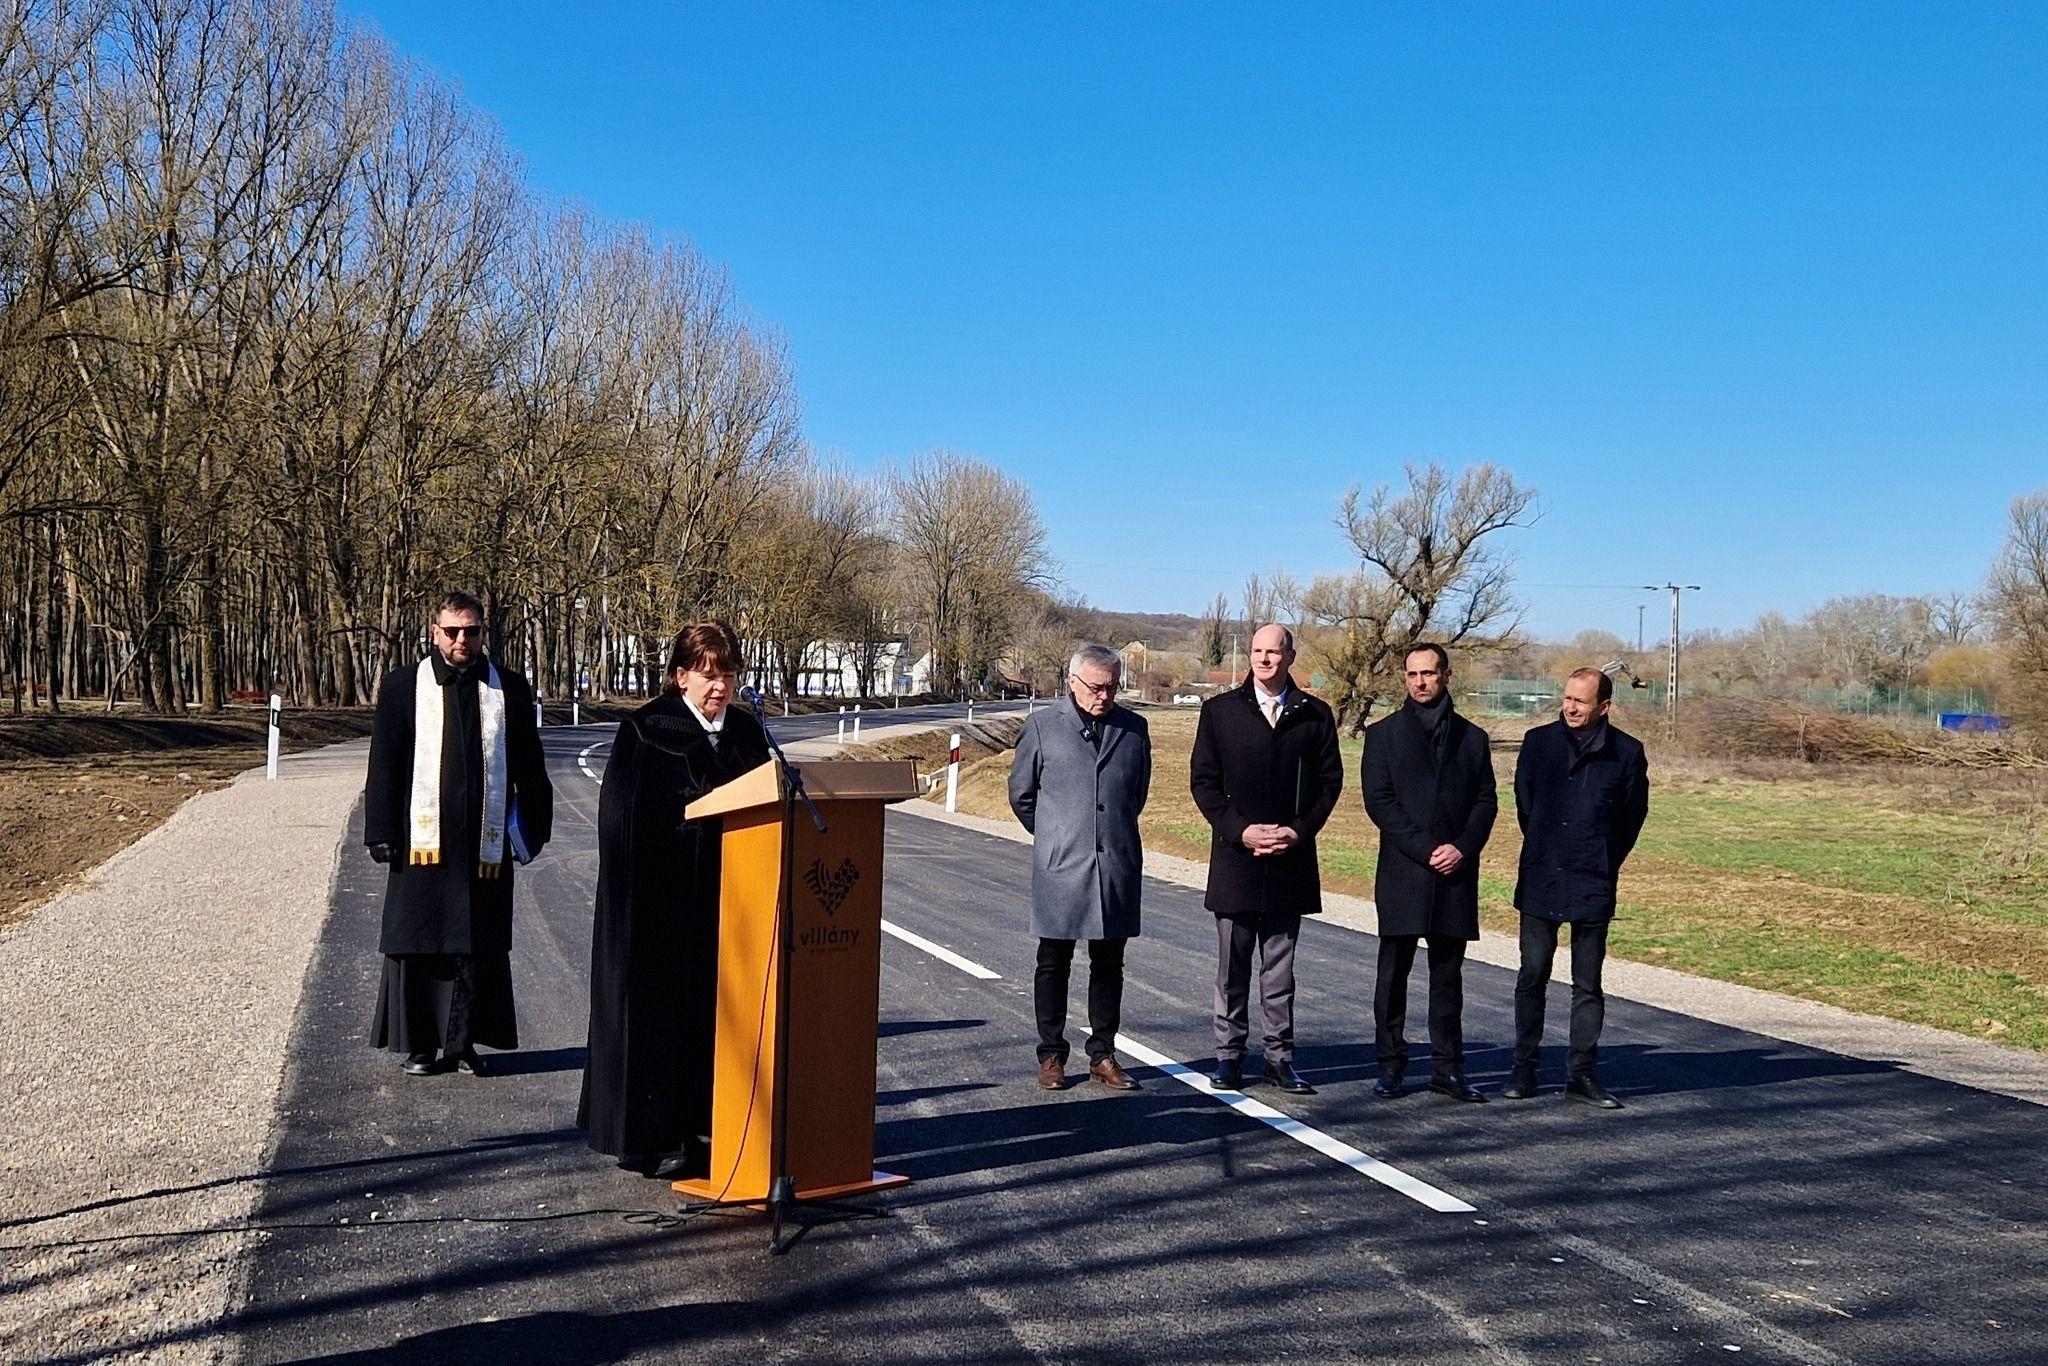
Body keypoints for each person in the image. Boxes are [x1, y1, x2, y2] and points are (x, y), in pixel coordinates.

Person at [579, 621, 772, 1178]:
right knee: (653, 1021)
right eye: (708, 676)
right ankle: (648, 1135)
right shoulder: (645, 730)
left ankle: (710, 1125)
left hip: (728, 903)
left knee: (715, 1018)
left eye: (728, 675)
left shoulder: (745, 731)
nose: (720, 688)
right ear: (680, 676)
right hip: (656, 904)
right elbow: (619, 823)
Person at [365, 591, 553, 1077]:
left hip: (482, 848)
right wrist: (381, 830)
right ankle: (422, 1046)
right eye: (452, 631)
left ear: (482, 633)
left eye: (470, 631)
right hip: (421, 844)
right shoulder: (404, 686)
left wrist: (535, 824)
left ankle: (464, 1043)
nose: (461, 640)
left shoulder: (508, 688)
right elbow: (385, 763)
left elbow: (529, 764)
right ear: (435, 632)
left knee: (475, 945)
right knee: (421, 941)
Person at [1189, 623, 1343, 1095]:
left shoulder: (1315, 715)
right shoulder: (1219, 712)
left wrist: (1297, 831)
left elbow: (1328, 785)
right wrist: (1240, 830)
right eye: (1257, 651)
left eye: (1273, 652)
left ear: (1290, 656)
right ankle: (1229, 1057)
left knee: (1280, 972)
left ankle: (1279, 1059)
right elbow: (1204, 783)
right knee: (1231, 970)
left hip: (1288, 863)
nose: (1264, 659)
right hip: (1236, 861)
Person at [1503, 666, 1649, 1109]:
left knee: (1588, 984)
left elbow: (1630, 819)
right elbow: (1525, 805)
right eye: (1566, 698)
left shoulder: (1626, 752)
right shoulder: (1538, 743)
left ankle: (1581, 1074)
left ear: (1604, 706)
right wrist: (1549, 845)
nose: (1570, 707)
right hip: (1542, 874)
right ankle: (1524, 1068)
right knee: (1532, 976)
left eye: (1580, 701)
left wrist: (1600, 857)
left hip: (1593, 878)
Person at [1008, 644, 1153, 1092]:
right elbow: (1022, 795)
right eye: (1096, 687)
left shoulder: (1135, 729)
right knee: (1054, 961)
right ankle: (1051, 1054)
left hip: (1116, 865)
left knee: (1109, 963)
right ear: (1072, 682)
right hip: (1061, 866)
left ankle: (1103, 1054)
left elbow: (1136, 796)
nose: (1105, 695)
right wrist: (1055, 834)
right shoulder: (1042, 726)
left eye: (1112, 686)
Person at [1360, 643, 1499, 1103]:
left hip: (1454, 875)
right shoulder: (1382, 735)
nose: (1420, 682)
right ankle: (1391, 1065)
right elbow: (1380, 802)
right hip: (1404, 872)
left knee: (1447, 978)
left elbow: (1486, 802)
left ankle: (1448, 1068)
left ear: (1447, 676)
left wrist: (1461, 848)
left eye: (1429, 673)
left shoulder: (1472, 738)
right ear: (1404, 678)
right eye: (1412, 674)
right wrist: (1426, 849)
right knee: (1392, 975)